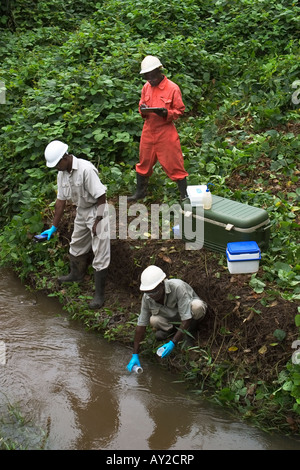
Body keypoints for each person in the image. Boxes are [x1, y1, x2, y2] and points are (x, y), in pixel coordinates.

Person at [39, 140, 110, 309]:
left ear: (65, 157)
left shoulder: (86, 169)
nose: (56, 168)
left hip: (97, 210)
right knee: (76, 244)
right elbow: (60, 202)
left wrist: (98, 220)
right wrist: (53, 227)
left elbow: (101, 197)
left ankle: (99, 295)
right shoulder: (62, 174)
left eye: (57, 164)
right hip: (82, 210)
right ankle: (75, 275)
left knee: (100, 252)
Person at [128, 55, 189, 202]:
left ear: (159, 71)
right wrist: (143, 109)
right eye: (147, 76)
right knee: (144, 162)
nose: (150, 79)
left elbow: (180, 110)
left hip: (165, 131)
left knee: (174, 162)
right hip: (148, 129)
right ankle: (140, 193)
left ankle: (184, 196)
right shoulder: (146, 88)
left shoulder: (173, 88)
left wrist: (166, 113)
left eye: (152, 75)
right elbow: (141, 105)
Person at [126, 265, 207, 372]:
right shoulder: (147, 297)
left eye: (154, 292)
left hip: (188, 315)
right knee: (153, 320)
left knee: (197, 306)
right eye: (148, 292)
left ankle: (189, 333)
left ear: (162, 284)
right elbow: (141, 325)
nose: (152, 295)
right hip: (172, 318)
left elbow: (186, 318)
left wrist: (173, 343)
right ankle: (172, 330)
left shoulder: (177, 287)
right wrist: (135, 354)